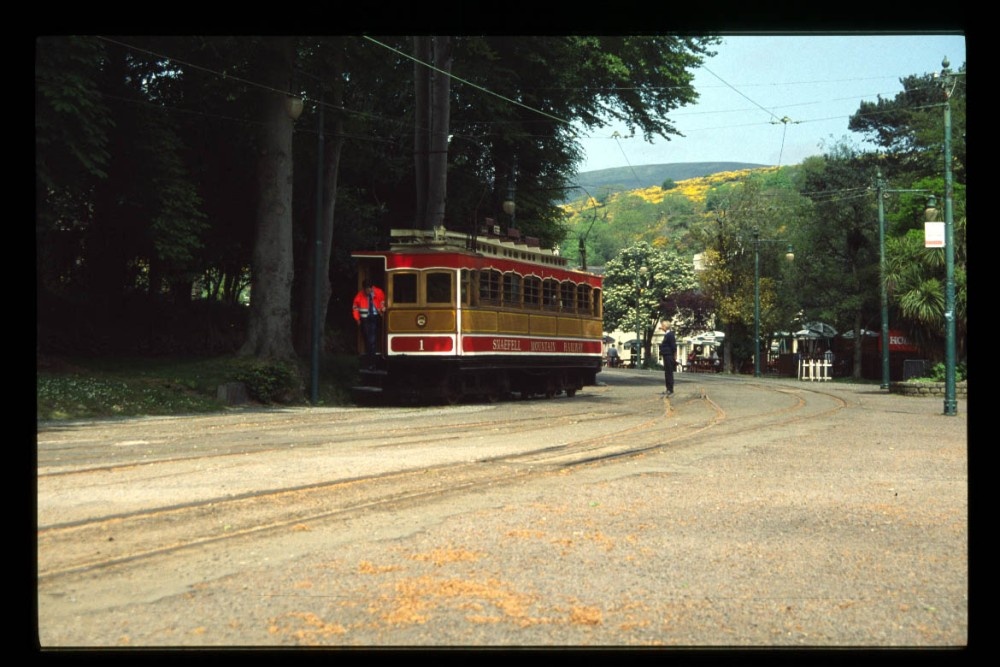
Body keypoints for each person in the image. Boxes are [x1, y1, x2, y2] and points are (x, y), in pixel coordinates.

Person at [352, 279, 386, 369]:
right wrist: (357, 319)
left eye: (369, 289)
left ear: (372, 288)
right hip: (365, 319)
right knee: (369, 341)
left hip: (375, 317)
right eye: (366, 290)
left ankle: (372, 363)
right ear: (363, 289)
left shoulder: (379, 292)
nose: (367, 291)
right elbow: (355, 307)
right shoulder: (359, 296)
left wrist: (382, 308)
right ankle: (371, 362)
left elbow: (383, 301)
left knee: (372, 340)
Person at [658, 319, 677, 396]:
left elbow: (673, 346)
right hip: (666, 355)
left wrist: (675, 356)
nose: (661, 327)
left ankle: (670, 389)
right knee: (667, 372)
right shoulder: (667, 334)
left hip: (669, 356)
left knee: (669, 372)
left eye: (662, 325)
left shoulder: (670, 335)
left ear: (665, 326)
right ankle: (668, 388)